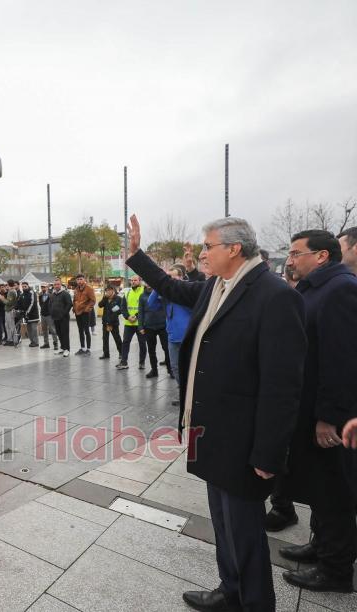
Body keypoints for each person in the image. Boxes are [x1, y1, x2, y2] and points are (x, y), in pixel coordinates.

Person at [126, 214, 306, 612]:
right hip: (210, 432)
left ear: (234, 248)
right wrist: (137, 255)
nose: (202, 253)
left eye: (208, 246)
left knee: (245, 531)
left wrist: (269, 453)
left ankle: (256, 602)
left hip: (243, 442)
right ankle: (231, 591)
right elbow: (171, 286)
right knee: (223, 525)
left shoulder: (275, 296)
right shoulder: (217, 286)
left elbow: (283, 385)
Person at [278, 230, 357, 594]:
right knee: (319, 488)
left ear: (322, 256)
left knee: (334, 491)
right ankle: (321, 544)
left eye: (296, 253)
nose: (290, 260)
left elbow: (340, 361)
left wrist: (329, 416)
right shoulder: (315, 287)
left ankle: (336, 569)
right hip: (308, 408)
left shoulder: (341, 289)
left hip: (328, 416)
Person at [148, 265, 192, 405]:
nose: (170, 280)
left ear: (181, 277)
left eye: (173, 277)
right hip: (172, 336)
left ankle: (191, 394)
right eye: (169, 277)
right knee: (175, 367)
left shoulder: (187, 290)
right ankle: (183, 392)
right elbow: (151, 304)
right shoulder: (167, 294)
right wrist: (159, 286)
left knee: (190, 367)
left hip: (188, 336)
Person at [139, 283, 171, 379]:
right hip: (149, 327)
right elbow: (140, 312)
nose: (148, 284)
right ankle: (154, 370)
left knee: (166, 349)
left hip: (163, 326)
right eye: (146, 282)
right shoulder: (142, 296)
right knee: (151, 350)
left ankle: (170, 369)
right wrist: (140, 326)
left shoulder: (160, 293)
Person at [117, 276, 146, 370]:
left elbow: (145, 307)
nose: (133, 282)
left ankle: (142, 363)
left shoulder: (144, 291)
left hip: (140, 323)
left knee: (142, 343)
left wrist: (136, 316)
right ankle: (124, 362)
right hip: (129, 323)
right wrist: (127, 316)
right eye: (132, 280)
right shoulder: (128, 292)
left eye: (135, 280)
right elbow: (123, 307)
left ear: (140, 281)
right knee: (125, 342)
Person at [98, 285, 124, 361]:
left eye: (109, 290)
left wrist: (114, 313)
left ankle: (121, 353)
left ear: (113, 290)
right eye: (106, 290)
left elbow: (121, 309)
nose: (108, 292)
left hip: (114, 322)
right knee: (105, 339)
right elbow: (100, 305)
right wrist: (104, 298)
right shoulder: (105, 298)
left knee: (117, 338)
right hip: (105, 322)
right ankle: (106, 354)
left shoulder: (118, 299)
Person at [72, 274, 95, 355]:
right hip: (77, 313)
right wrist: (74, 308)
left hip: (85, 313)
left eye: (81, 279)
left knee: (86, 331)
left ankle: (88, 349)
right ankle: (82, 348)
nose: (79, 281)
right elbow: (74, 300)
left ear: (84, 280)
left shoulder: (89, 289)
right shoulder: (76, 289)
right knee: (80, 331)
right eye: (78, 279)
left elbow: (93, 300)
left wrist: (87, 309)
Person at [50, 278, 73, 357]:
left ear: (61, 284)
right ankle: (62, 347)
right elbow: (50, 304)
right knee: (59, 333)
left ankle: (67, 349)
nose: (56, 286)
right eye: (55, 284)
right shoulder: (53, 295)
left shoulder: (65, 293)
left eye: (58, 284)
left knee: (65, 333)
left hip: (64, 318)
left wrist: (63, 313)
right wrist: (51, 313)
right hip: (55, 317)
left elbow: (69, 304)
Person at [19, 282, 40, 347]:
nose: (24, 288)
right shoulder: (22, 294)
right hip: (26, 316)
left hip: (33, 315)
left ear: (28, 286)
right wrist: (19, 310)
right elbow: (20, 303)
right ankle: (32, 342)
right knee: (29, 330)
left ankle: (36, 342)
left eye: (25, 286)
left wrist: (27, 312)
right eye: (23, 287)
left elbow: (32, 303)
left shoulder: (32, 293)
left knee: (34, 330)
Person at [39, 284, 59, 349]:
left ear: (47, 287)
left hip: (49, 315)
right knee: (44, 330)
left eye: (44, 287)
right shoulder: (40, 295)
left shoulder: (51, 295)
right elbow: (40, 304)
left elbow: (53, 304)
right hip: (43, 314)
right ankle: (46, 343)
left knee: (52, 330)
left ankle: (55, 343)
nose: (43, 288)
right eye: (42, 287)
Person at [3, 280, 18, 346]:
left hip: (10, 310)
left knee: (11, 326)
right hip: (8, 310)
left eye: (6, 284)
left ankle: (14, 340)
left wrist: (2, 299)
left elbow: (9, 303)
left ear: (8, 284)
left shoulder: (12, 292)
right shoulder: (11, 291)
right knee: (7, 325)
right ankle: (9, 339)